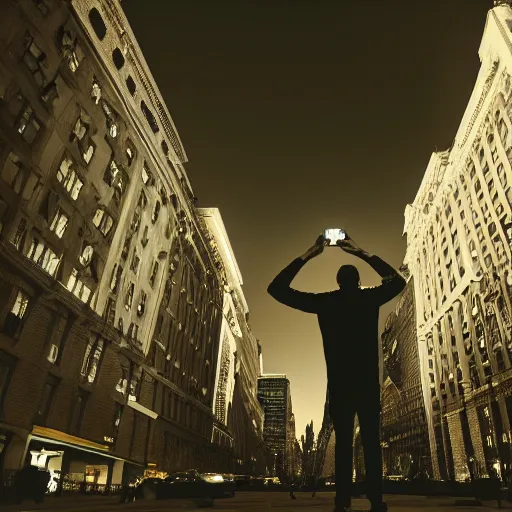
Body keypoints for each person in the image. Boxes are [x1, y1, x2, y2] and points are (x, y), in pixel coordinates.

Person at [268, 233, 406, 512]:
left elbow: (277, 289)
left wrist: (309, 254)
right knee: (371, 446)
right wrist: (361, 251)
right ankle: (376, 501)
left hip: (341, 388)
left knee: (343, 447)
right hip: (367, 386)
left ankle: (341, 501)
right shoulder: (369, 299)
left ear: (338, 282)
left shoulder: (326, 302)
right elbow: (398, 281)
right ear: (357, 280)